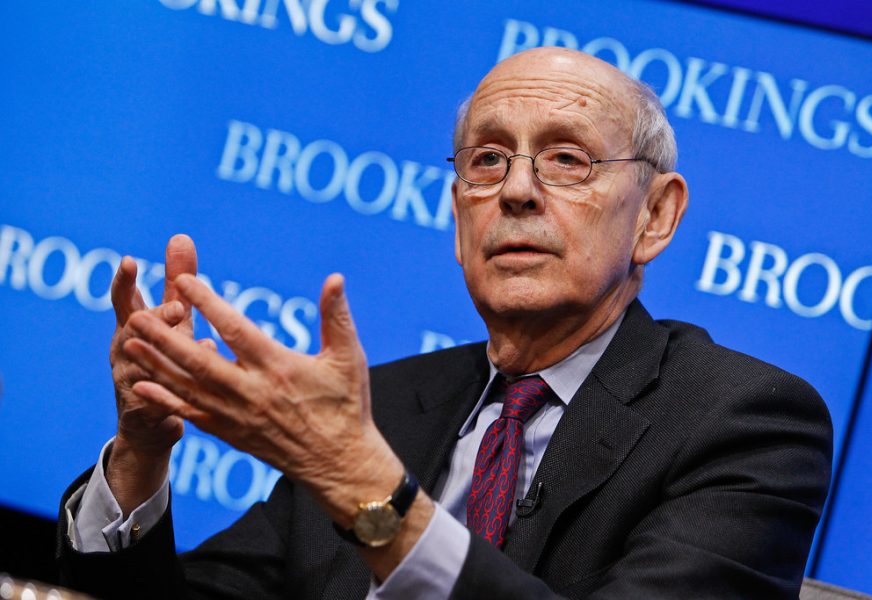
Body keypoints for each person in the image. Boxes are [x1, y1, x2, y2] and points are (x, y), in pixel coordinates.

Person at [57, 47, 832, 599]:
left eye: (567, 160)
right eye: (487, 160)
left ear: (656, 216)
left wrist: (365, 486)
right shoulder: (385, 406)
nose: (517, 192)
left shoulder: (746, 422)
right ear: (459, 211)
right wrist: (139, 459)